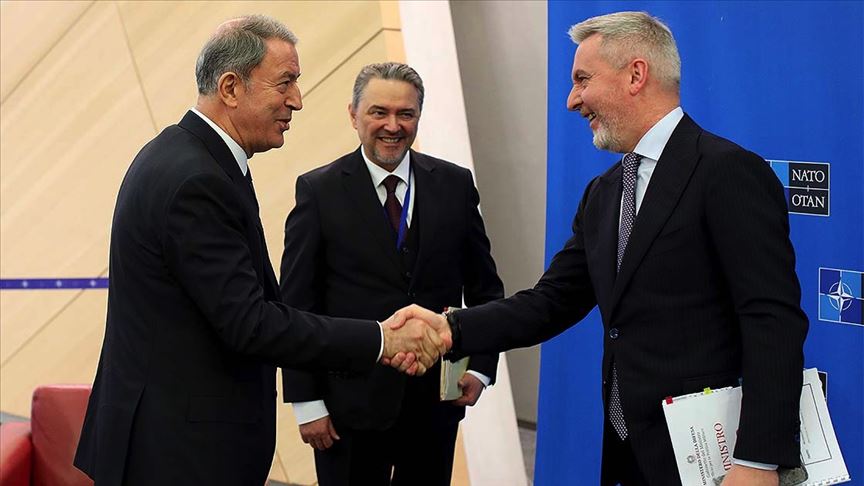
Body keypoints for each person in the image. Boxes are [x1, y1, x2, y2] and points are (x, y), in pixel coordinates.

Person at [391, 11, 808, 486]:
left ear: (635, 74)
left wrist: (758, 459)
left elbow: (771, 319)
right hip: (629, 453)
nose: (572, 100)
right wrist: (449, 328)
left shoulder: (727, 171)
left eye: (582, 80)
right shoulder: (604, 193)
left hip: (716, 457)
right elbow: (551, 302)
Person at [73, 16, 445, 486]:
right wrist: (381, 339)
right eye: (285, 83)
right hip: (179, 454)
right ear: (231, 87)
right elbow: (250, 322)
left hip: (176, 442)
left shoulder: (186, 156)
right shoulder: (197, 181)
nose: (297, 100)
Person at [279, 62, 504, 486]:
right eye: (378, 112)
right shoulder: (318, 191)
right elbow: (296, 306)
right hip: (346, 411)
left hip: (435, 407)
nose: (393, 126)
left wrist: (480, 367)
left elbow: (485, 289)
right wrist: (307, 403)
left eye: (406, 114)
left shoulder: (455, 184)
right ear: (353, 115)